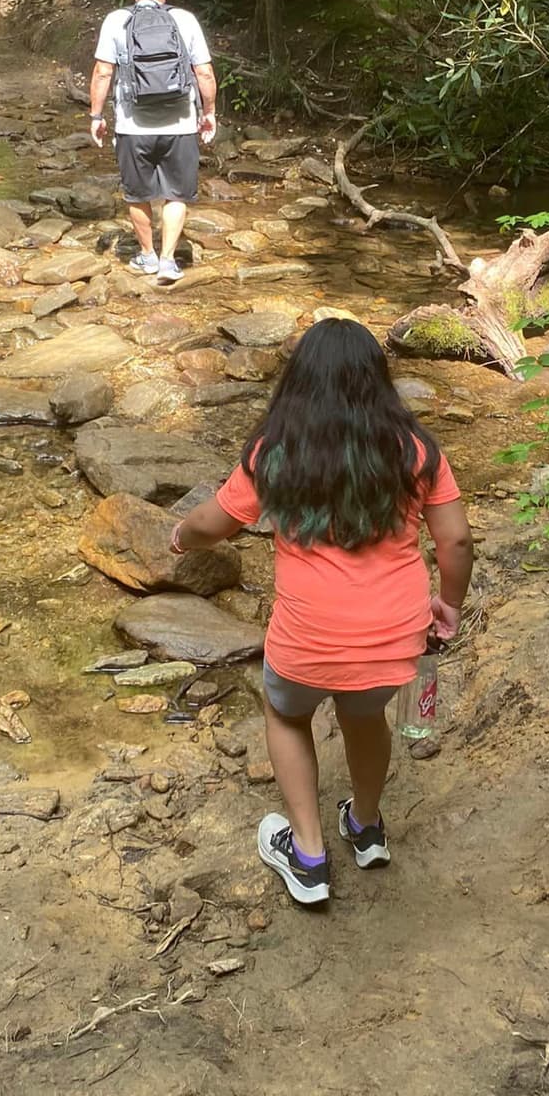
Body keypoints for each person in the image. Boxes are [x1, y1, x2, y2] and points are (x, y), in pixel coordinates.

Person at [170, 319, 475, 907]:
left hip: (307, 636)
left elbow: (215, 522)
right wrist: (449, 604)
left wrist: (181, 538)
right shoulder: (414, 450)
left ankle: (307, 855)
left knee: (286, 715)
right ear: (376, 381)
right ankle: (364, 826)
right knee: (365, 717)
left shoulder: (277, 451)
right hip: (392, 637)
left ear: (299, 381)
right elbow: (455, 542)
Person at [89, 0, 217, 284]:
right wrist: (209, 112)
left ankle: (146, 256)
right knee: (176, 195)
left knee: (138, 194)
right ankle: (167, 261)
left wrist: (96, 116)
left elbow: (103, 72)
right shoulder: (184, 19)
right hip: (180, 125)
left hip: (133, 127)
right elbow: (204, 72)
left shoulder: (116, 21)